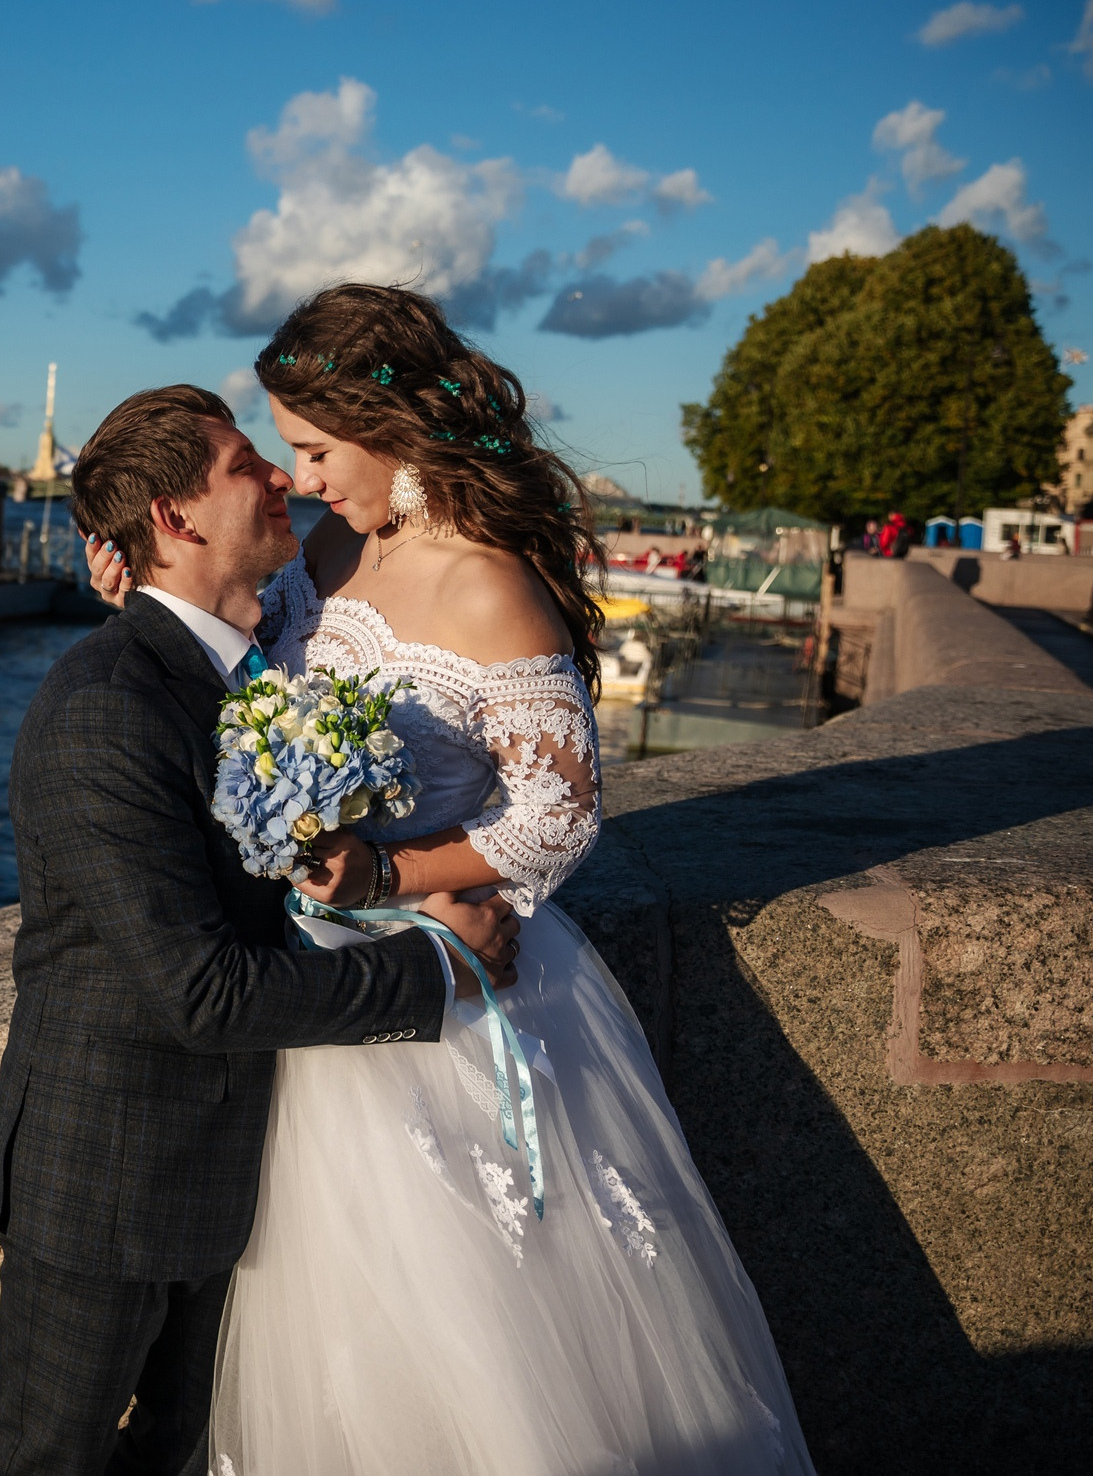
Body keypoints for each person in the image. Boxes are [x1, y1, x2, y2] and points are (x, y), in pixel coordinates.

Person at [86, 286, 813, 1475]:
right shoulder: (326, 550)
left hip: (454, 977)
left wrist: (389, 868)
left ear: (391, 426)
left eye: (317, 450)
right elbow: (239, 669)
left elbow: (561, 814)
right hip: (312, 983)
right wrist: (142, 599)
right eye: (288, 453)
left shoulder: (489, 584)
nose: (302, 478)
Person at [0, 384, 517, 1476]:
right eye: (242, 463)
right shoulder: (104, 710)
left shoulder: (253, 670)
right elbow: (201, 990)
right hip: (108, 1177)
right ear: (175, 519)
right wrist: (437, 972)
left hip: (238, 1168)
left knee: (184, 1454)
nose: (281, 477)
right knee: (48, 1457)